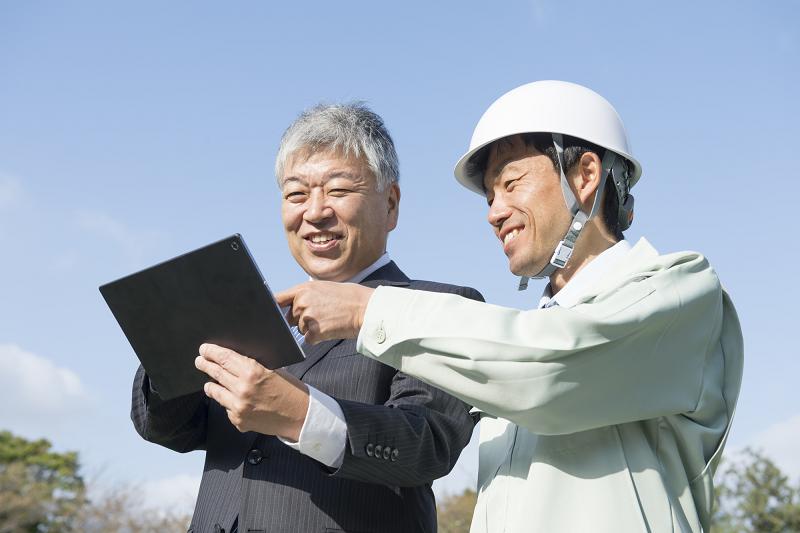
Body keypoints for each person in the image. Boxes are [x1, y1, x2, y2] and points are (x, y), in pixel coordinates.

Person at [277, 81, 744, 532]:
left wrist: (368, 311)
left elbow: (552, 369)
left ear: (584, 175)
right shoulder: (519, 344)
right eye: (489, 194)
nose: (493, 212)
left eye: (511, 183)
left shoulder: (682, 292)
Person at [131, 102, 482, 533]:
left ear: (390, 204)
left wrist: (301, 414)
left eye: (337, 190)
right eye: (296, 194)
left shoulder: (441, 307)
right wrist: (174, 341)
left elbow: (427, 445)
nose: (314, 211)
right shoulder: (253, 318)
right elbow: (169, 429)